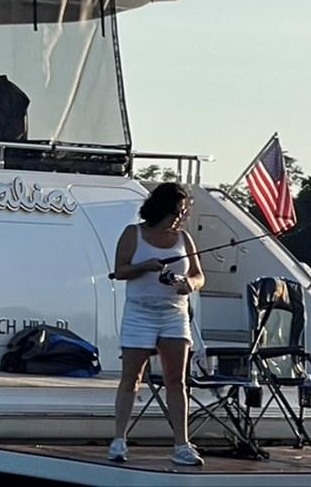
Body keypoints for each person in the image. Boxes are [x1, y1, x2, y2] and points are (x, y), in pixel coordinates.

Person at [109, 182, 205, 466]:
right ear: (161, 209)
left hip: (174, 314)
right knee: (131, 379)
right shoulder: (133, 234)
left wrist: (188, 284)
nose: (179, 217)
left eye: (183, 212)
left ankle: (182, 444)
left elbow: (199, 276)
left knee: (177, 381)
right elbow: (120, 270)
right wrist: (144, 267)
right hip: (140, 313)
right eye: (176, 211)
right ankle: (118, 440)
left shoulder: (184, 239)